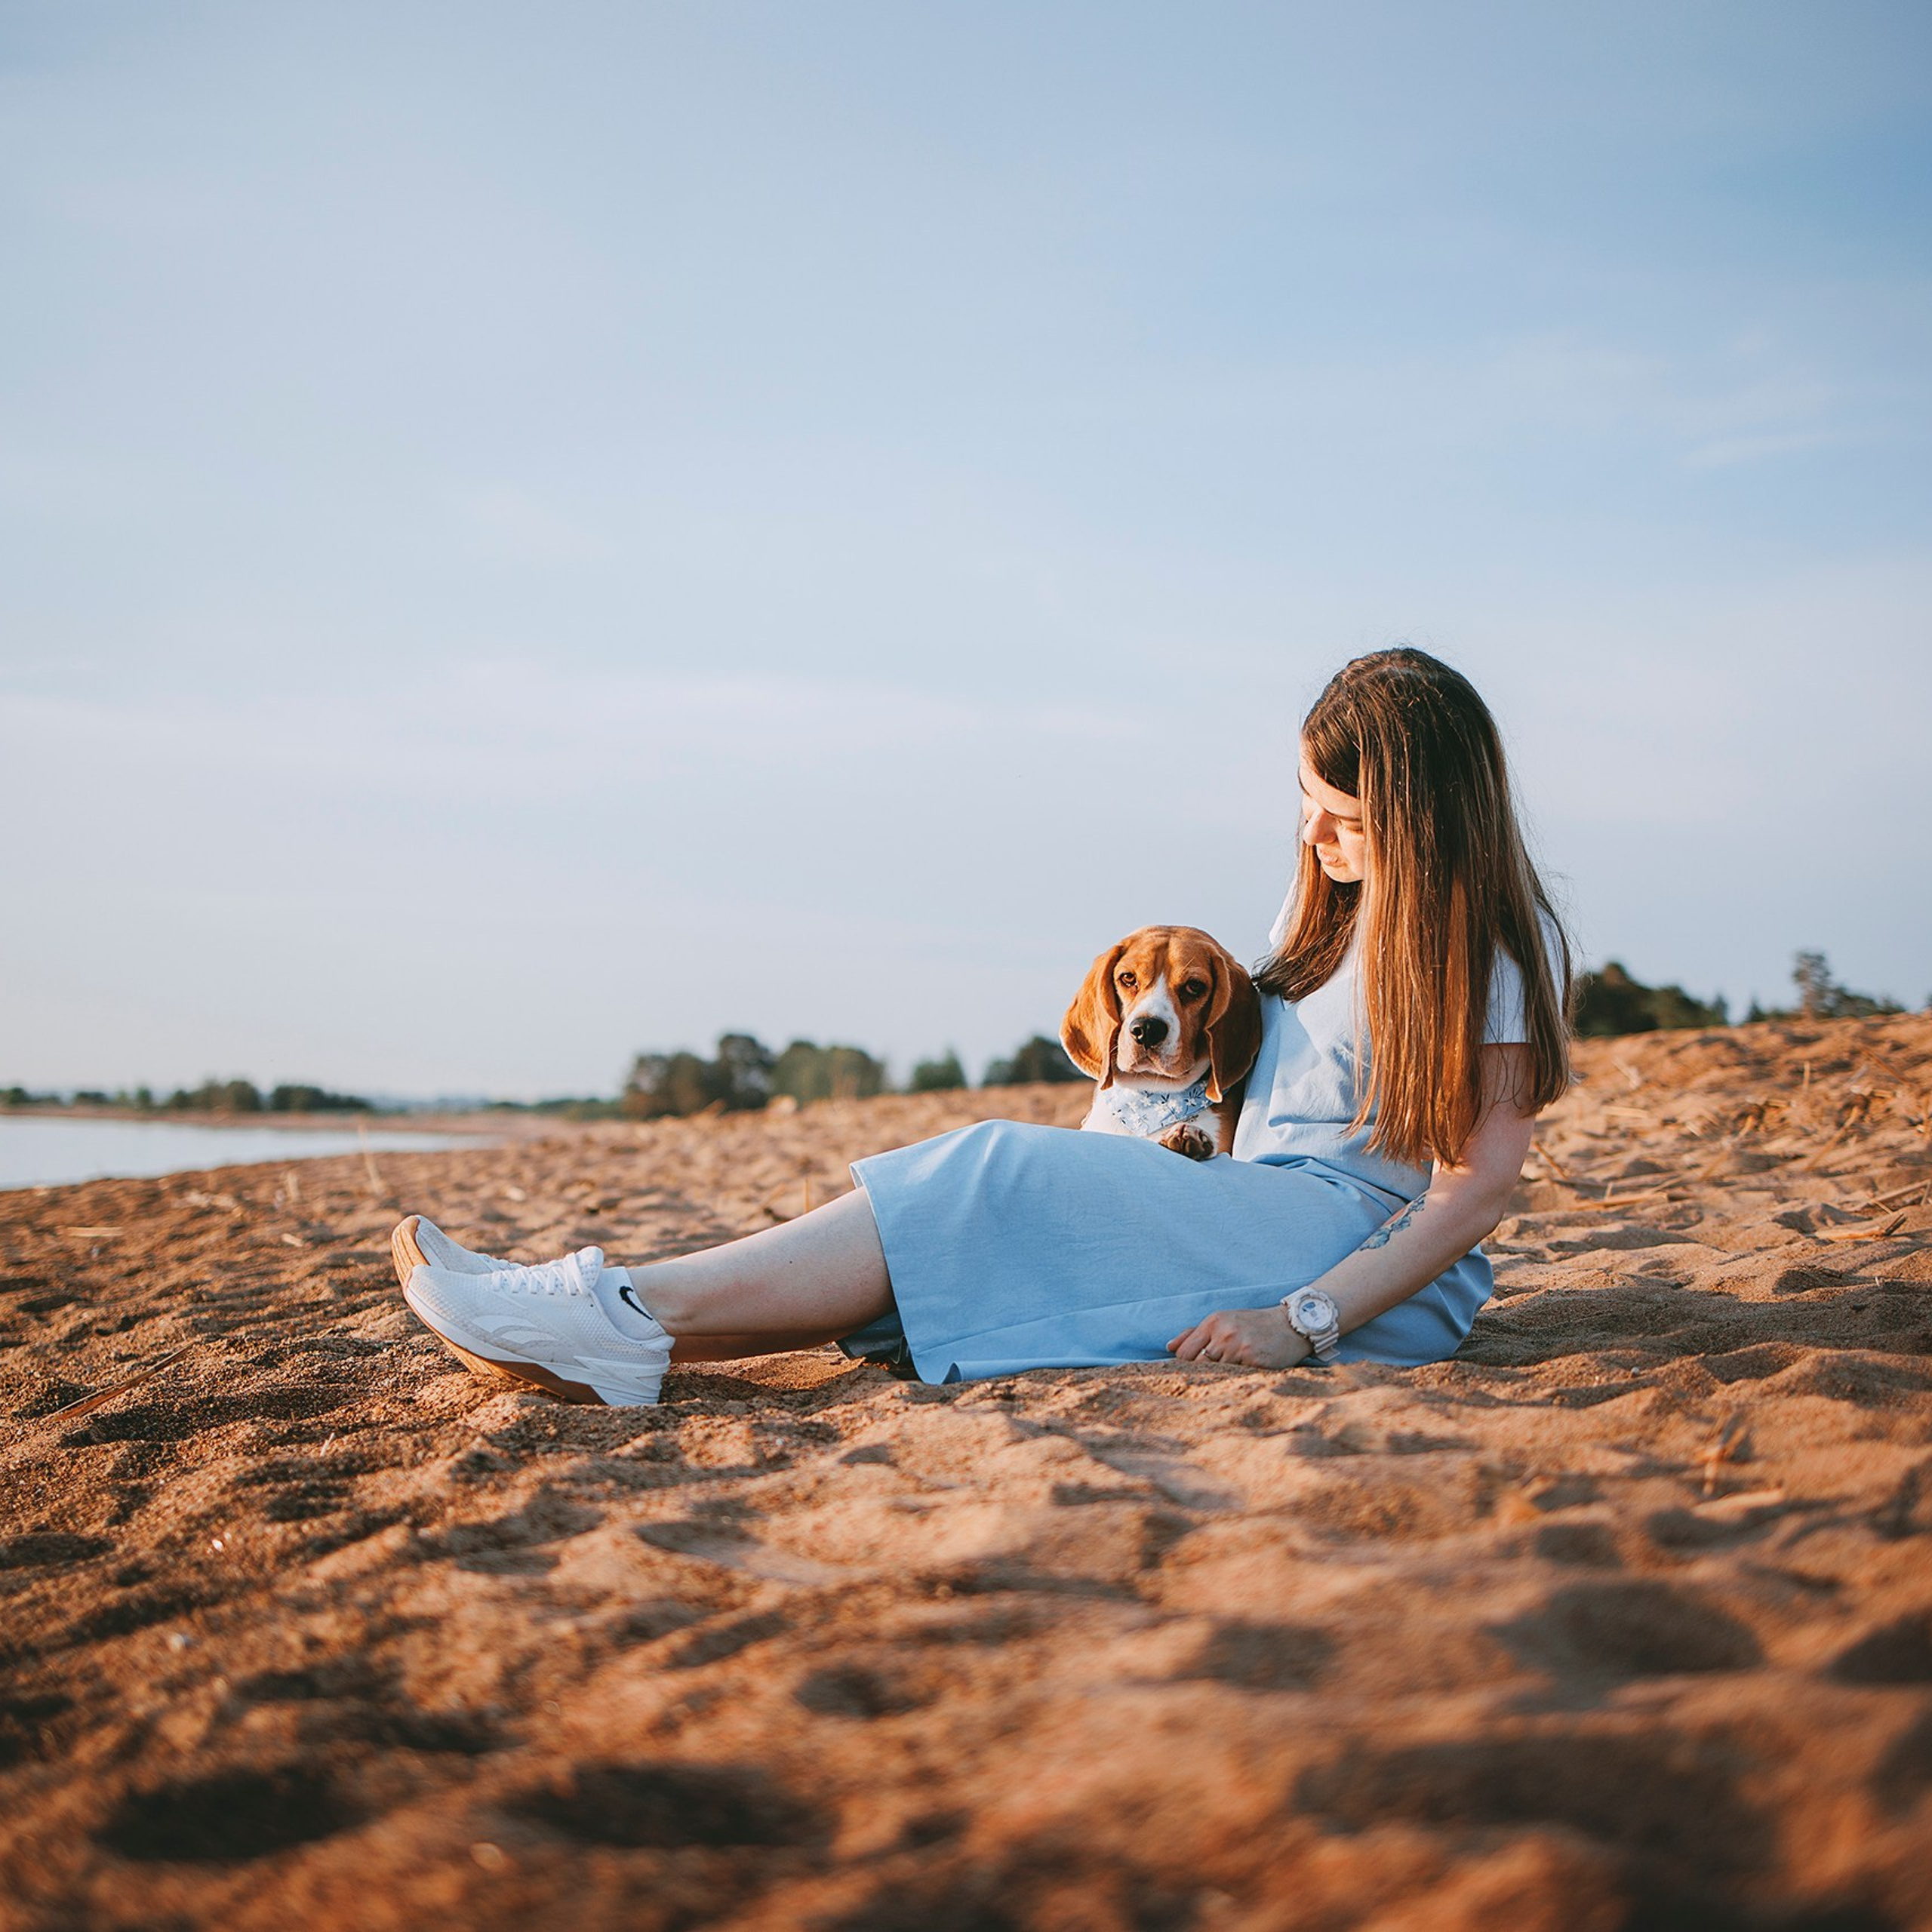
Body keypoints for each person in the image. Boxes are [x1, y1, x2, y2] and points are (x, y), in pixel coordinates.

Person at [394, 648, 1572, 1405]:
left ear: (1418, 816)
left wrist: (1303, 1323)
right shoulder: (1321, 914)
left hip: (1343, 1260)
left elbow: (1474, 1191)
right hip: (1244, 1209)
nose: (1313, 839)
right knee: (998, 1214)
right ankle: (623, 1326)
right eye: (1306, 809)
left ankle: (620, 1310)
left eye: (1342, 818)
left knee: (997, 1170)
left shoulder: (1488, 954)